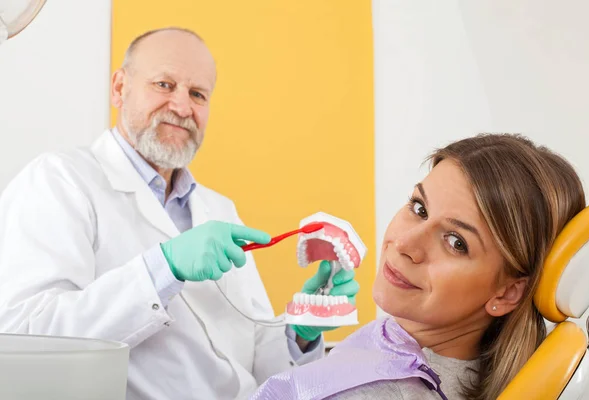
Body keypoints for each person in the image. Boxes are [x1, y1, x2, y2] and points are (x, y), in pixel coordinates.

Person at [0, 27, 359, 400]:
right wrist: (163, 268)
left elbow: (255, 366)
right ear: (119, 88)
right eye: (164, 84)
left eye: (198, 94)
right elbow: (27, 339)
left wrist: (298, 334)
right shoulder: (59, 181)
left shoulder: (220, 209)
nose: (183, 107)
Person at [251, 133, 586, 400]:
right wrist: (302, 340)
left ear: (508, 292)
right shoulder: (411, 348)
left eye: (456, 242)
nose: (406, 244)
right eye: (419, 208)